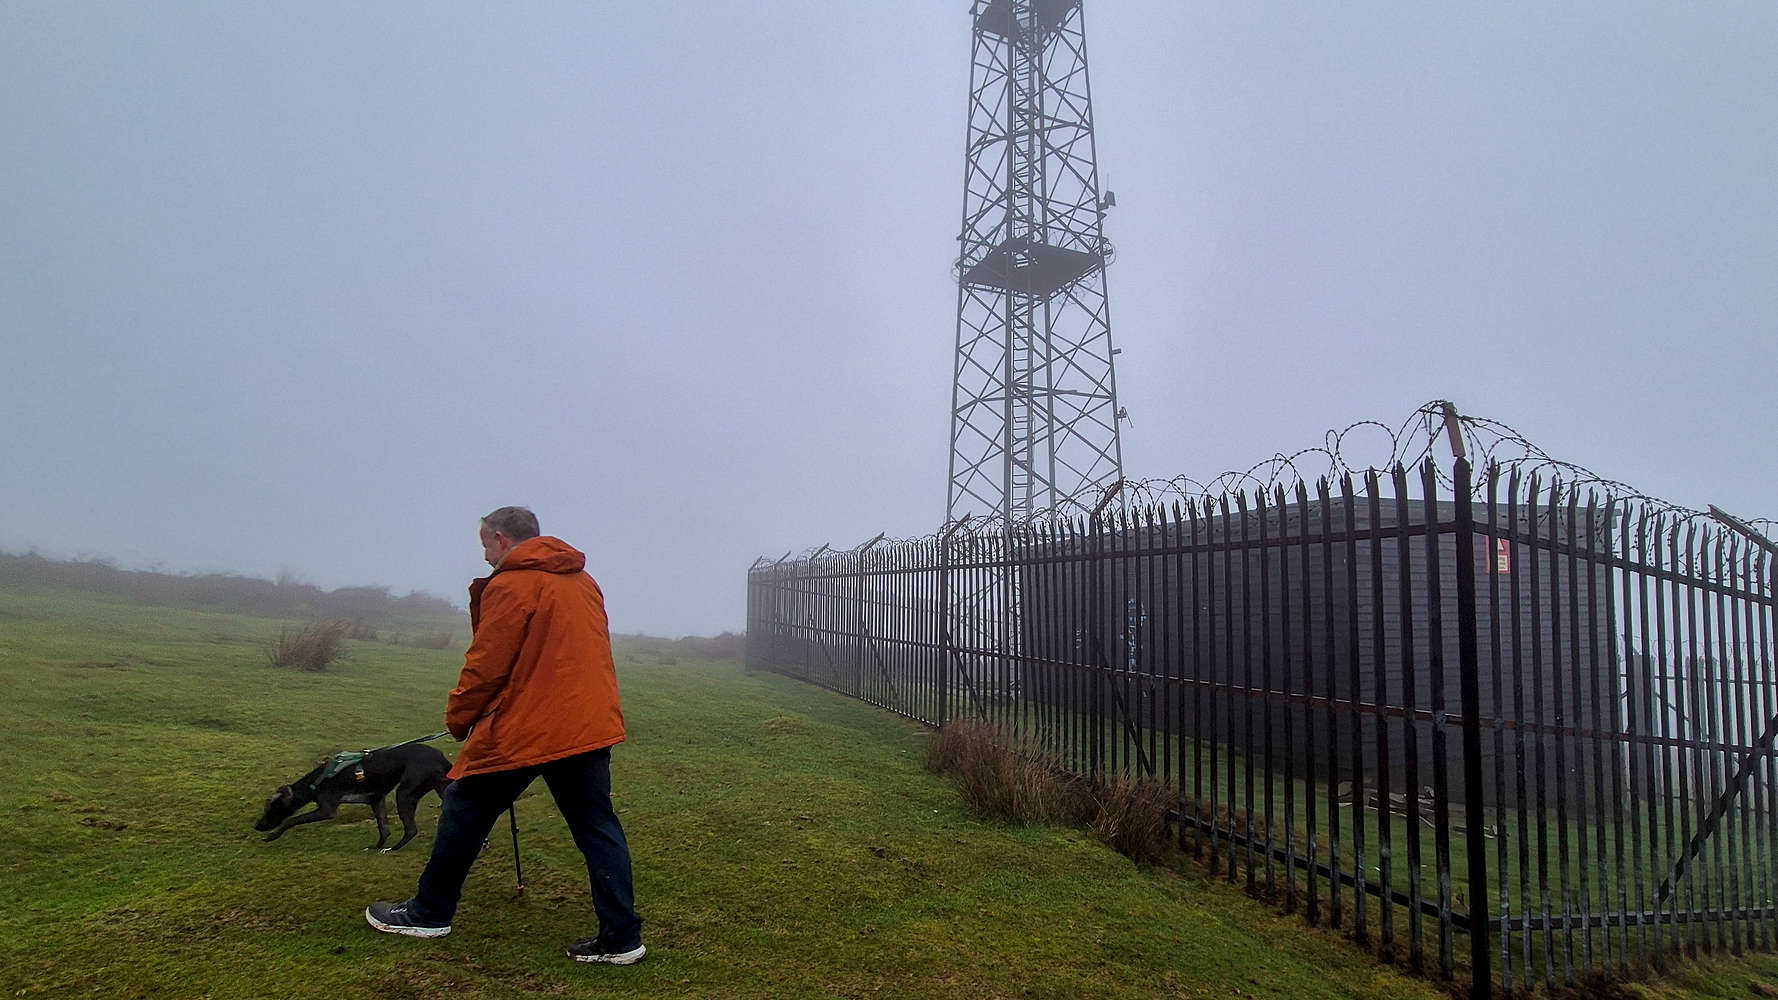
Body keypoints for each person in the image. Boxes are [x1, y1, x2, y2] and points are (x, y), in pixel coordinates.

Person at [364, 506, 644, 965]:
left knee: (465, 804)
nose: (485, 558)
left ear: (500, 538)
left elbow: (486, 665)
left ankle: (430, 912)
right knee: (596, 826)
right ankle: (622, 937)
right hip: (588, 724)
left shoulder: (512, 585)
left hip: (531, 727)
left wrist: (459, 718)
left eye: (484, 547)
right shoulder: (582, 581)